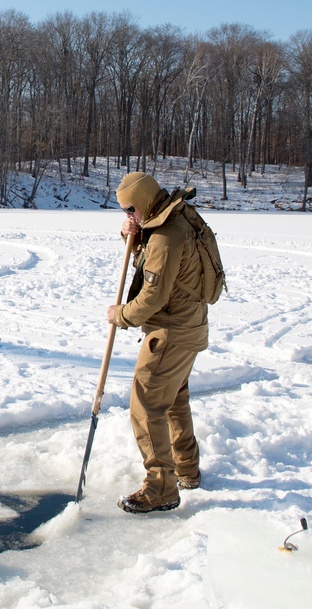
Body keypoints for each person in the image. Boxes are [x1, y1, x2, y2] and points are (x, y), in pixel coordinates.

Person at [107, 172, 208, 514]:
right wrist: (132, 237)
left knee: (146, 405)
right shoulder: (173, 217)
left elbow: (153, 296)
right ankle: (187, 470)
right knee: (174, 399)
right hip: (189, 326)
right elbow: (158, 264)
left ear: (145, 201)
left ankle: (161, 488)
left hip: (171, 332)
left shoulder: (166, 235)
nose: (127, 215)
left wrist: (121, 315)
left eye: (130, 209)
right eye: (123, 210)